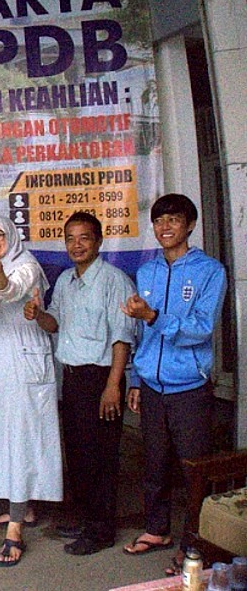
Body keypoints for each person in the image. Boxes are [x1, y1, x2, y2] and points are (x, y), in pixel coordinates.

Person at [119, 194, 226, 571]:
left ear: (190, 225)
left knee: (193, 469)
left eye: (174, 220)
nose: (165, 227)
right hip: (151, 385)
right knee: (154, 463)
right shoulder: (147, 272)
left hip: (189, 388)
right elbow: (138, 332)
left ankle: (193, 546)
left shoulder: (210, 271)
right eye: (159, 221)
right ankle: (156, 529)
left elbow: (201, 329)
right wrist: (135, 376)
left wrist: (152, 316)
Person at [24, 211, 136, 556]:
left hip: (101, 379)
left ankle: (101, 531)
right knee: (78, 455)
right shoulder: (65, 282)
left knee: (100, 458)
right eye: (70, 238)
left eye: (84, 237)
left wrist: (113, 385)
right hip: (71, 380)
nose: (76, 244)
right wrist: (38, 315)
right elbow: (55, 324)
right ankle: (87, 518)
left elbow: (122, 337)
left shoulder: (114, 281)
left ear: (98, 242)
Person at [0, 214, 63, 567]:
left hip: (28, 366)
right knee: (11, 438)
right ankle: (23, 507)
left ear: (12, 235)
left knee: (25, 442)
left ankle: (14, 530)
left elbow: (12, 289)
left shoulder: (25, 265)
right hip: (7, 366)